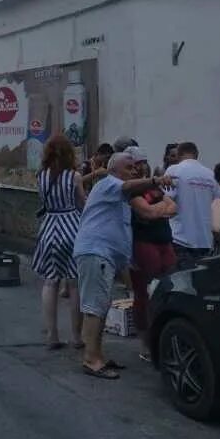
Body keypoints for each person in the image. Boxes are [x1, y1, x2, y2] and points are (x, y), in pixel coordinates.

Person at [73, 152, 171, 378]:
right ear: (114, 170)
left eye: (136, 166)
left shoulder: (118, 193)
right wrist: (155, 180)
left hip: (104, 256)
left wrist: (128, 259)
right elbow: (128, 186)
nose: (135, 170)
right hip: (96, 253)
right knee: (94, 308)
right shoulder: (110, 183)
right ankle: (91, 360)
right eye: (129, 167)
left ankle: (98, 356)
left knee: (101, 306)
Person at [31, 134, 86, 350]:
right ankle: (76, 337)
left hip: (50, 228)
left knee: (50, 281)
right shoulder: (74, 176)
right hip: (72, 227)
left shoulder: (41, 176)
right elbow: (83, 204)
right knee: (74, 283)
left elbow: (43, 201)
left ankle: (52, 336)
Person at [129, 158, 177, 361]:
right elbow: (147, 212)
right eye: (136, 166)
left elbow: (173, 207)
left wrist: (157, 211)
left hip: (165, 243)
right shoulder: (131, 192)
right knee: (144, 294)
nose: (141, 169)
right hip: (144, 244)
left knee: (169, 289)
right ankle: (146, 344)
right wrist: (161, 211)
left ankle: (165, 339)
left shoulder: (157, 189)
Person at [164, 142, 220, 269]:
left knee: (181, 283)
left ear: (178, 154)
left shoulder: (174, 170)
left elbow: (166, 200)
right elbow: (217, 204)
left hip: (181, 238)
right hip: (205, 240)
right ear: (197, 155)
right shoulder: (211, 175)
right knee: (201, 284)